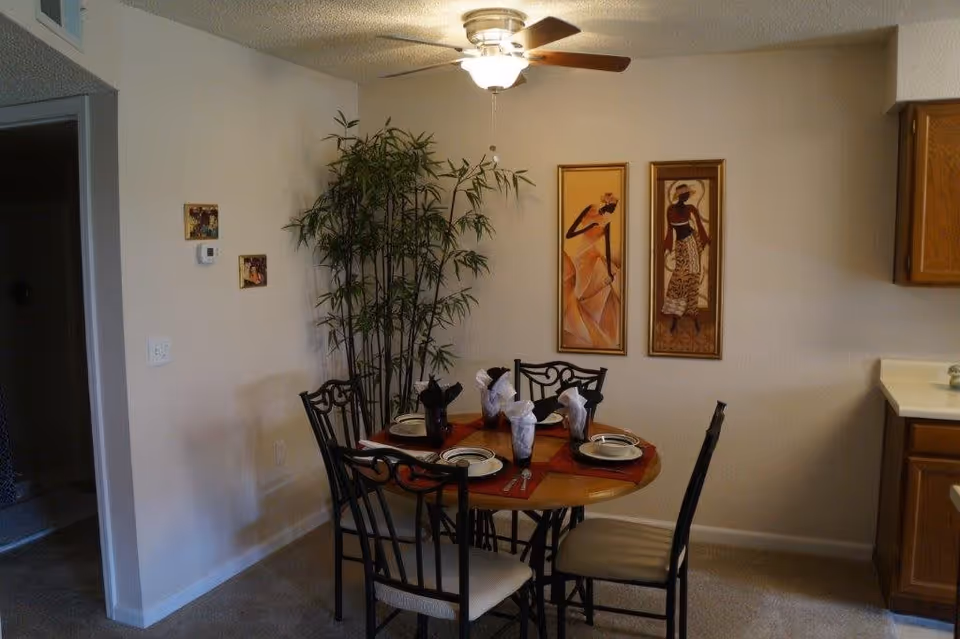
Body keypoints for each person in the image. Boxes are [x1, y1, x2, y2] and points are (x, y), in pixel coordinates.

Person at [662, 183, 709, 334]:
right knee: (679, 279)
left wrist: (706, 239)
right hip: (682, 246)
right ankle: (676, 316)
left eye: (688, 194)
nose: (688, 196)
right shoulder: (670, 210)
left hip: (693, 244)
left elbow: (700, 226)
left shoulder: (691, 209)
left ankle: (693, 316)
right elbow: (670, 230)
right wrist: (665, 245)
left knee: (693, 278)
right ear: (680, 196)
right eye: (686, 194)